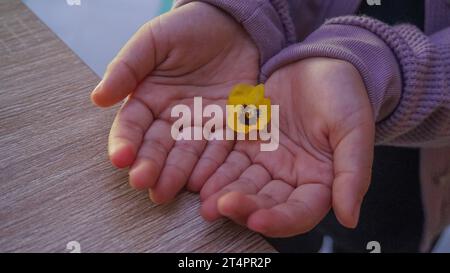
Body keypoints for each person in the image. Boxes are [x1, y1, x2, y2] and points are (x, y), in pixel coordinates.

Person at [90, 0, 450, 252]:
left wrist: (386, 69)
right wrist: (234, 8)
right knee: (271, 227)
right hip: (283, 157)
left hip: (412, 174)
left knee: (374, 234)